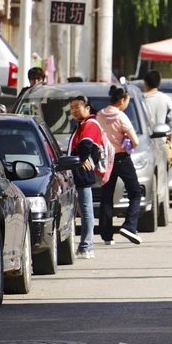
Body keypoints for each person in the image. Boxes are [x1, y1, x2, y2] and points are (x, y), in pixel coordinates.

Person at [96, 86, 142, 245]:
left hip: (106, 159)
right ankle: (129, 225)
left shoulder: (100, 115)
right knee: (135, 192)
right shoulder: (121, 117)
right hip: (121, 158)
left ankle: (106, 235)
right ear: (122, 100)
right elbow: (135, 141)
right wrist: (127, 143)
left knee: (107, 195)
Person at [68, 95, 102, 259]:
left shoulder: (90, 124)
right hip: (77, 172)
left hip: (82, 173)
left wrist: (81, 159)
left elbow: (86, 144)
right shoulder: (81, 124)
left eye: (77, 107)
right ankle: (83, 246)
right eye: (71, 107)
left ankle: (86, 246)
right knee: (81, 210)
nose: (74, 110)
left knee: (86, 210)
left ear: (87, 108)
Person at [143, 70, 172, 140]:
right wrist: (169, 142)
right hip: (162, 142)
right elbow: (171, 123)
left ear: (145, 83)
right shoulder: (166, 99)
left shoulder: (141, 100)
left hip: (143, 141)